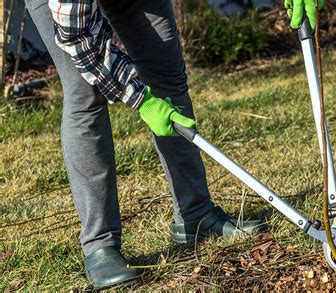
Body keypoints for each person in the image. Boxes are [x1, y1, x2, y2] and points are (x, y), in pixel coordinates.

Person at [24, 0, 320, 289]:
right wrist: (141, 99)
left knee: (166, 72)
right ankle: (100, 245)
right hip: (69, 13)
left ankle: (196, 214)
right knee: (86, 95)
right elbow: (78, 36)